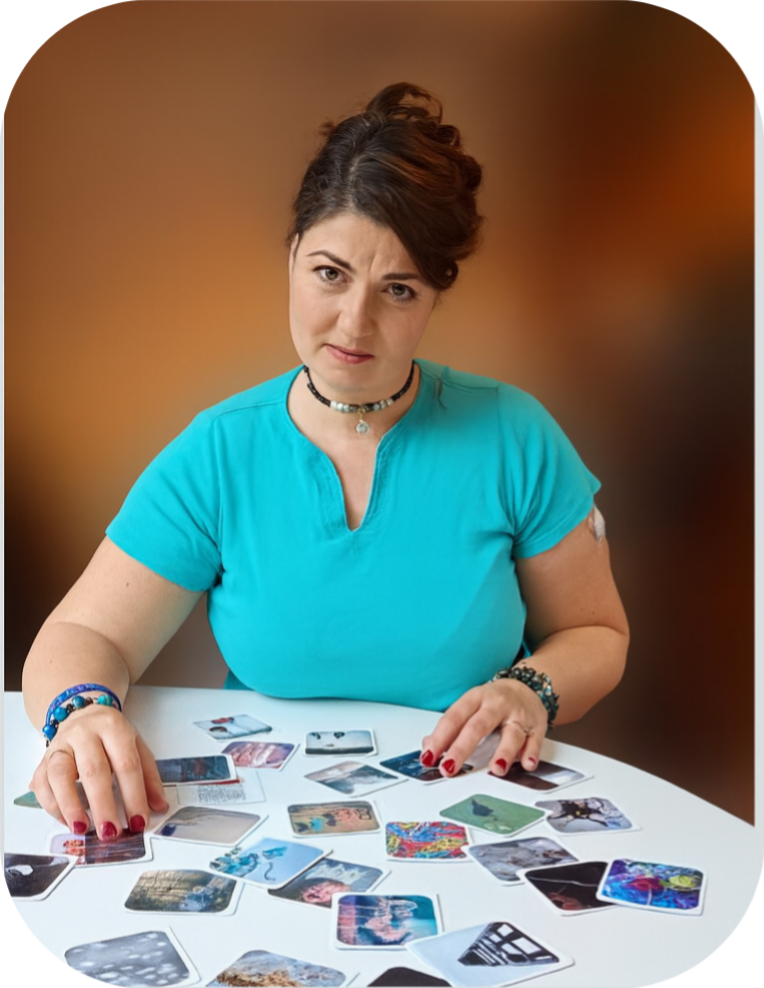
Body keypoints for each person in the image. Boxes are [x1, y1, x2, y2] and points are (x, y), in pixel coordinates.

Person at [22, 82, 629, 842]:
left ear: (435, 298)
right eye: (330, 273)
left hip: (474, 807)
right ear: (292, 257)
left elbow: (596, 634)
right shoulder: (219, 452)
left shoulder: (516, 436)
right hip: (261, 818)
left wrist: (530, 688)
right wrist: (82, 713)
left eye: (397, 289)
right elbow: (86, 632)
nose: (354, 322)